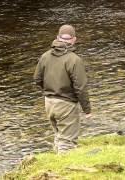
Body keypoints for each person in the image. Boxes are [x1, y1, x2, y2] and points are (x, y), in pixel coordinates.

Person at [34, 25, 91, 153]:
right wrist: (87, 109)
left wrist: (49, 90)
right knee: (67, 142)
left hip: (48, 102)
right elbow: (80, 88)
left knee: (58, 135)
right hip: (66, 105)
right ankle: (64, 169)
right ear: (74, 39)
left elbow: (37, 79)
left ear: (58, 38)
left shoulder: (45, 56)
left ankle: (55, 162)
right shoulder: (75, 60)